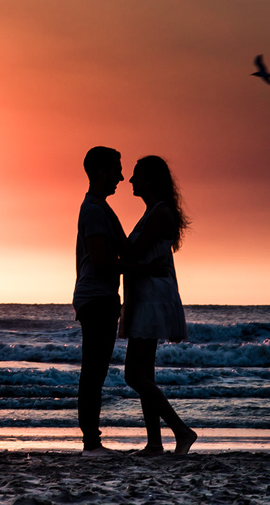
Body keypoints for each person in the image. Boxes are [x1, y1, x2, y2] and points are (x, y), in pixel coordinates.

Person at [121, 155, 197, 455]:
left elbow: (131, 253)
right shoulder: (153, 212)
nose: (131, 180)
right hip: (145, 296)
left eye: (137, 174)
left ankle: (182, 431)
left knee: (133, 374)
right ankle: (154, 442)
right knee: (145, 374)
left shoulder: (160, 213)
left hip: (152, 299)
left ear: (150, 179)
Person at [72, 146, 128, 456]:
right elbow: (101, 260)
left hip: (96, 297)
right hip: (97, 298)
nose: (121, 176)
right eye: (116, 169)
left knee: (95, 371)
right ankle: (91, 443)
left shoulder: (98, 207)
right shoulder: (94, 210)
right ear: (101, 171)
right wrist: (142, 269)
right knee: (94, 372)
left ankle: (92, 441)